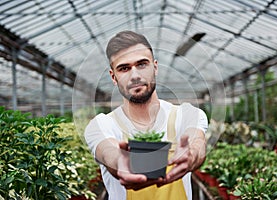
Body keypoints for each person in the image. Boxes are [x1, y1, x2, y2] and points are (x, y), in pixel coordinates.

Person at [84, 30, 208, 200]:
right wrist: (121, 162)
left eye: (142, 64)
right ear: (113, 77)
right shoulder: (102, 125)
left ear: (155, 67)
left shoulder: (186, 114)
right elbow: (107, 150)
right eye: (124, 68)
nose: (135, 75)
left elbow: (197, 141)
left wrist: (191, 155)